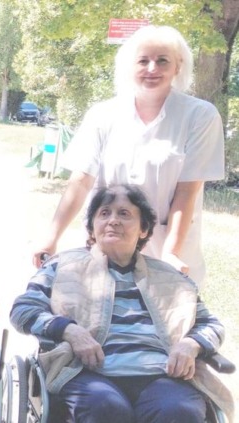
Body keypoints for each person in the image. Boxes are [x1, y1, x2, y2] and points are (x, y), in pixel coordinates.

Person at [12, 184, 231, 422]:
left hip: (162, 375)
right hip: (87, 372)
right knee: (105, 409)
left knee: (179, 411)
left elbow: (211, 324)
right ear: (92, 229)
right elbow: (24, 310)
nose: (113, 220)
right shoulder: (61, 266)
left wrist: (191, 344)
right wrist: (70, 330)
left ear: (144, 230)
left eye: (124, 214)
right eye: (104, 213)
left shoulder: (170, 277)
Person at [33, 25, 224, 284]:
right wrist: (51, 237)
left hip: (166, 253)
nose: (152, 68)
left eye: (162, 60)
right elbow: (80, 182)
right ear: (129, 66)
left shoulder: (200, 116)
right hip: (105, 250)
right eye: (143, 60)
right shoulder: (102, 114)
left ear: (178, 66)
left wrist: (171, 253)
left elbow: (187, 191)